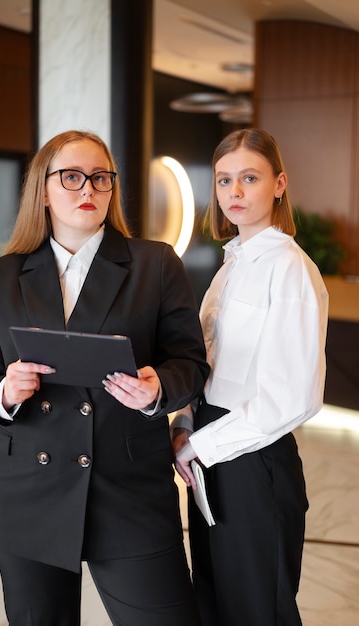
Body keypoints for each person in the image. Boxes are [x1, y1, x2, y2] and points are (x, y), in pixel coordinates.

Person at [0, 129, 210, 626]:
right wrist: (4, 392)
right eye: (71, 177)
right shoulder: (5, 273)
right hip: (24, 491)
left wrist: (157, 387)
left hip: (127, 490)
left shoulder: (155, 263)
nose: (87, 190)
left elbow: (191, 364)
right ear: (44, 190)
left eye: (100, 178)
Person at [172, 128, 329, 626]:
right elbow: (209, 363)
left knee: (260, 611)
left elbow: (291, 398)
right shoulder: (229, 266)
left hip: (254, 460)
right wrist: (184, 422)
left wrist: (200, 445)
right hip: (210, 447)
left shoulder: (290, 269)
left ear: (279, 184)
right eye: (223, 180)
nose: (233, 193)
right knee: (215, 601)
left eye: (249, 178)